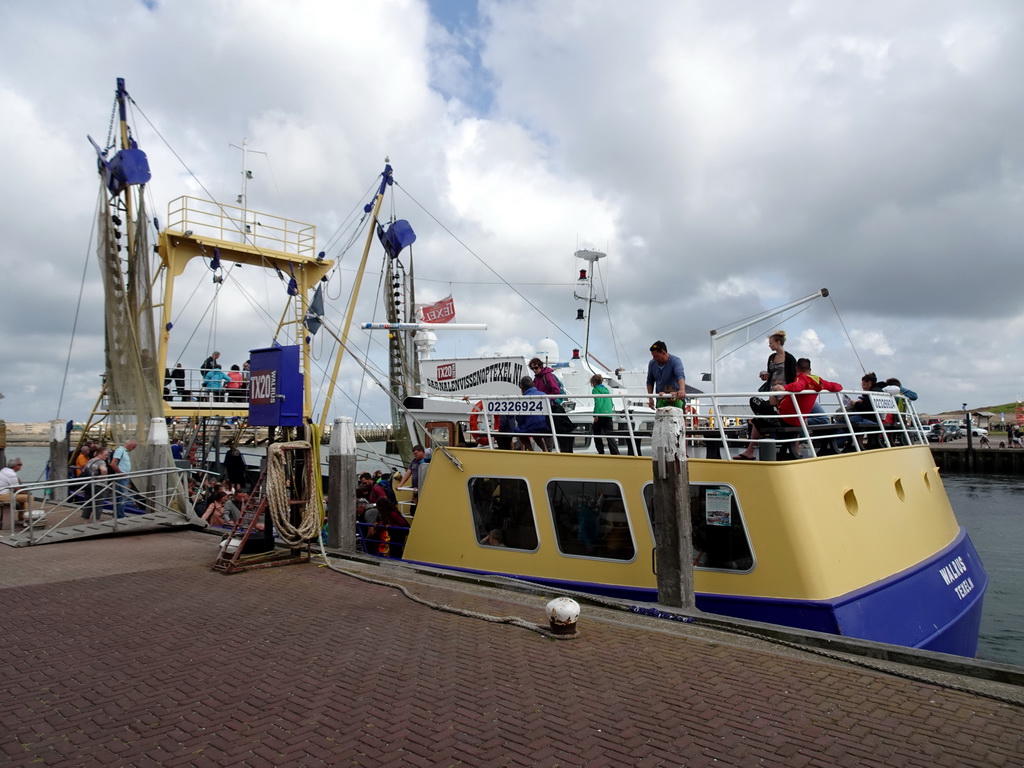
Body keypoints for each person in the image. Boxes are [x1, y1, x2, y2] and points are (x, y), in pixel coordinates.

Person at [513, 376, 551, 451]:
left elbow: (520, 418)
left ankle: (531, 450)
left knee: (518, 431)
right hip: (545, 425)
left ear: (522, 387)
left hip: (532, 426)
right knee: (537, 434)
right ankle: (545, 450)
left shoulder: (524, 398)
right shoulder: (544, 395)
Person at [646, 340, 686, 408]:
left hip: (676, 398)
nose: (653, 358)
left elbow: (680, 376)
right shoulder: (652, 363)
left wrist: (682, 390)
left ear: (663, 352)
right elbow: (650, 381)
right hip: (661, 399)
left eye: (656, 356)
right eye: (653, 356)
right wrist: (650, 398)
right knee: (661, 417)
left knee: (678, 416)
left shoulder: (675, 361)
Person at [0, 457, 36, 527]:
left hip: (3, 493)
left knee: (23, 498)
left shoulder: (4, 470)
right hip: (2, 495)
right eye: (20, 464)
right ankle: (27, 519)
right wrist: (28, 493)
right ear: (15, 466)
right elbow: (17, 489)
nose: (21, 466)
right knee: (29, 497)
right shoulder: (12, 474)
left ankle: (22, 518)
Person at [590, 373, 619, 455]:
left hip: (601, 414)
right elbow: (610, 402)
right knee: (610, 434)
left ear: (594, 382)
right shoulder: (607, 390)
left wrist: (595, 415)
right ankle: (615, 452)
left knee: (596, 433)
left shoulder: (595, 390)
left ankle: (601, 452)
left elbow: (597, 402)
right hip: (609, 414)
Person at [109, 439, 138, 518]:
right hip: (121, 477)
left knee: (120, 496)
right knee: (123, 496)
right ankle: (120, 515)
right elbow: (113, 463)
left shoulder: (125, 452)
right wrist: (121, 473)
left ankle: (117, 514)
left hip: (124, 477)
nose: (133, 449)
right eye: (134, 447)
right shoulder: (120, 451)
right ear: (131, 445)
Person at [398, 445, 428, 515]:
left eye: (416, 453)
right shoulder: (414, 461)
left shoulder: (427, 462)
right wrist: (401, 484)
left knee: (420, 507)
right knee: (413, 510)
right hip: (415, 489)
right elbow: (408, 472)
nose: (415, 455)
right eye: (414, 454)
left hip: (422, 489)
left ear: (421, 452)